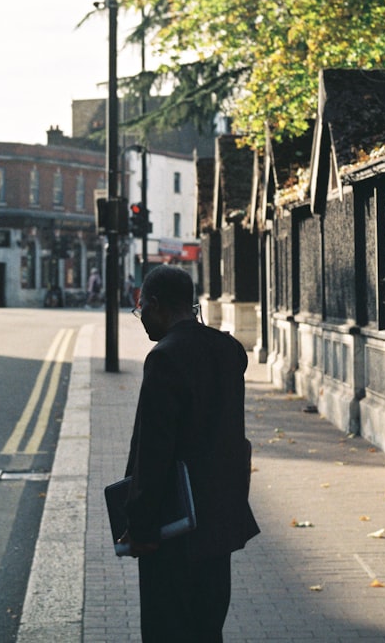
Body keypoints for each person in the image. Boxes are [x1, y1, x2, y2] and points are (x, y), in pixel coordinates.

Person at [119, 265, 259, 642]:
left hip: (175, 530)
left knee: (169, 631)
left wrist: (141, 526)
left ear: (158, 305)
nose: (142, 318)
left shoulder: (165, 358)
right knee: (207, 630)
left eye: (141, 308)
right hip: (220, 525)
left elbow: (153, 452)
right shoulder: (229, 350)